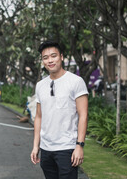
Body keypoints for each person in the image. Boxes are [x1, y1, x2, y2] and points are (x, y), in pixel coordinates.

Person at [31, 41, 88, 179]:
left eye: (53, 56)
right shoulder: (40, 85)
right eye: (45, 57)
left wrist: (79, 146)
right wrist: (35, 146)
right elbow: (39, 116)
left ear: (61, 57)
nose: (50, 60)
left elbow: (83, 115)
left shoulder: (76, 81)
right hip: (46, 149)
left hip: (66, 148)